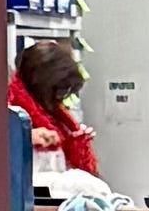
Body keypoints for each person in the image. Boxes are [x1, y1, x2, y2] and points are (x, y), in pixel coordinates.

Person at [11, 32, 99, 175]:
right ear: (43, 84)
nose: (60, 98)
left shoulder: (58, 117)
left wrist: (78, 144)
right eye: (60, 91)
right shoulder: (11, 112)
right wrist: (25, 137)